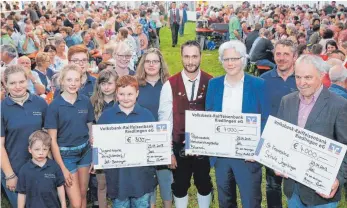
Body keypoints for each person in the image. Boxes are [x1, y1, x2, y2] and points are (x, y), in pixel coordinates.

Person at [276, 54, 347, 208]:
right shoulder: (287, 101)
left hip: (321, 193)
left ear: (322, 76)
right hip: (293, 190)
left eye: (308, 77)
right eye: (298, 77)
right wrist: (275, 160)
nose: (302, 83)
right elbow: (279, 139)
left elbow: (345, 147)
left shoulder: (340, 105)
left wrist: (338, 179)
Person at [205, 40, 268, 208]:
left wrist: (257, 149)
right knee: (225, 201)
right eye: (226, 59)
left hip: (247, 156)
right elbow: (208, 116)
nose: (230, 63)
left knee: (251, 201)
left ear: (243, 59)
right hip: (222, 155)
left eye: (235, 58)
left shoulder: (258, 84)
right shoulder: (214, 84)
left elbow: (265, 119)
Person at [159, 40, 213, 207]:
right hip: (178, 145)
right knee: (180, 185)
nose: (190, 61)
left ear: (201, 57)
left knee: (204, 183)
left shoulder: (212, 82)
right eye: (187, 56)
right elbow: (164, 120)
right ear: (181, 57)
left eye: (194, 56)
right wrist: (168, 151)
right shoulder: (170, 84)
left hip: (204, 146)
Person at [97, 75, 157, 208]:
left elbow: (155, 143)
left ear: (137, 93)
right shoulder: (107, 116)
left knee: (142, 204)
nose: (126, 98)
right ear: (116, 95)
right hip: (118, 179)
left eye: (130, 94)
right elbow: (99, 144)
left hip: (141, 179)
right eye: (122, 94)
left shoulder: (147, 115)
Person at [45, 64, 95, 208]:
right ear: (62, 81)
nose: (73, 83)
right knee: (76, 201)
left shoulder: (85, 101)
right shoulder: (55, 106)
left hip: (85, 152)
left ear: (81, 81)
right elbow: (52, 140)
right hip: (66, 156)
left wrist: (94, 155)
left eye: (76, 80)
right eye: (69, 80)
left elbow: (90, 128)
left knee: (83, 194)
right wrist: (62, 167)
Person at [1, 65, 48, 208]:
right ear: (5, 84)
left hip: (40, 167)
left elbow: (47, 136)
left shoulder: (40, 103)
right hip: (14, 170)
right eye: (12, 83)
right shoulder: (2, 108)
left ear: (27, 81)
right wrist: (9, 175)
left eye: (21, 82)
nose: (17, 86)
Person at [260, 39, 298, 208]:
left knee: (297, 186)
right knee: (273, 185)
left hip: (298, 141)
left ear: (295, 56)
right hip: (272, 141)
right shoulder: (263, 80)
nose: (281, 58)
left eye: (286, 54)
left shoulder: (302, 80)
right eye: (278, 54)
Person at [135, 48, 171, 208]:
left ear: (161, 64)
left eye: (155, 61)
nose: (151, 65)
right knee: (147, 183)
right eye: (148, 61)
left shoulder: (169, 85)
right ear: (143, 64)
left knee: (165, 181)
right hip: (142, 141)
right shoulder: (135, 86)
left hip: (164, 141)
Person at [90, 69, 118, 208]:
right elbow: (91, 128)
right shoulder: (93, 103)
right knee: (101, 184)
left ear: (116, 84)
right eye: (103, 84)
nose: (106, 87)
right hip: (99, 149)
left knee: (117, 183)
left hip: (118, 149)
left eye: (110, 83)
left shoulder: (121, 102)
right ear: (99, 85)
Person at [17, 130, 66, 208]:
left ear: (49, 149)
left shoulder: (54, 166)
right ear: (30, 149)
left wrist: (63, 205)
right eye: (37, 149)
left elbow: (60, 187)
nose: (41, 153)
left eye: (45, 149)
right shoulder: (24, 170)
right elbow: (22, 193)